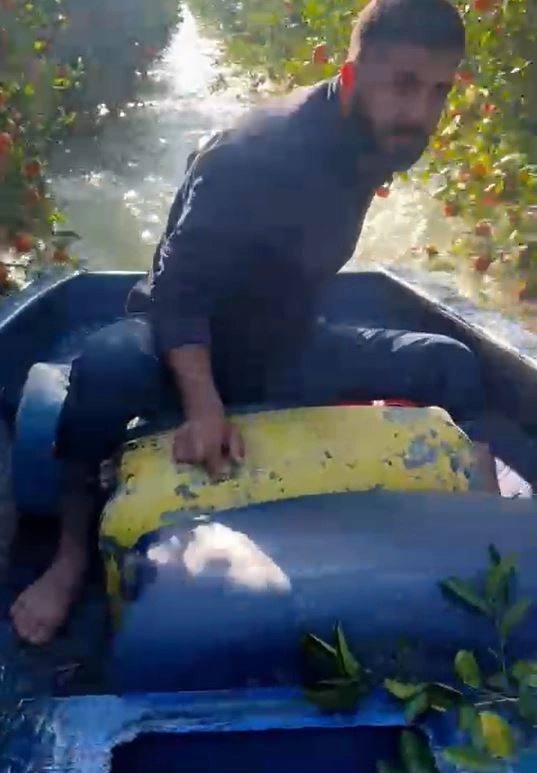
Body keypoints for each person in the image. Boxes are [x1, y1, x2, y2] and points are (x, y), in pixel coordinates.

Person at [11, 0, 498, 646]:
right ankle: (69, 556)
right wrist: (203, 404)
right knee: (102, 370)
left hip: (288, 345)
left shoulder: (376, 139)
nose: (422, 111)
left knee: (450, 362)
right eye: (404, 84)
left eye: (438, 90)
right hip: (183, 346)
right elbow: (179, 293)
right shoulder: (256, 153)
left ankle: (486, 530)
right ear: (351, 77)